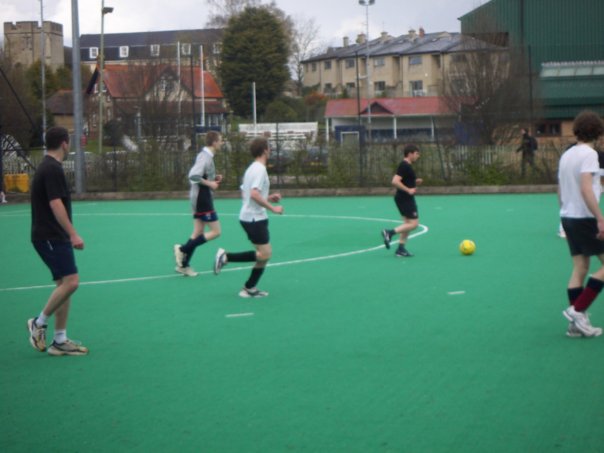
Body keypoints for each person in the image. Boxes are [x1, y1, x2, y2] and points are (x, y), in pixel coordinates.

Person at [27, 126, 88, 356]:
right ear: (64, 143)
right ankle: (38, 323)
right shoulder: (52, 168)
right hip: (50, 236)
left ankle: (59, 340)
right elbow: (55, 203)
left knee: (64, 285)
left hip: (52, 235)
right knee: (72, 282)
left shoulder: (49, 166)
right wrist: (73, 233)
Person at [213, 137, 283, 298]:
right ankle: (226, 257)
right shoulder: (259, 169)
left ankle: (250, 287)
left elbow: (248, 193)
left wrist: (268, 197)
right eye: (269, 147)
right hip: (254, 218)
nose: (270, 150)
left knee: (263, 255)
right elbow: (253, 194)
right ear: (264, 150)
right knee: (264, 254)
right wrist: (273, 208)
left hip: (251, 216)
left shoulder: (252, 168)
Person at [559, 111, 604, 337]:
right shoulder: (590, 154)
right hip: (584, 217)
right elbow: (587, 188)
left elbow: (560, 190)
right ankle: (577, 311)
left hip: (568, 216)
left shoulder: (567, 155)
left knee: (580, 268)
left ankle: (576, 326)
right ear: (598, 132)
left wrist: (563, 215)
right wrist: (600, 218)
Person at [173, 131, 224, 276]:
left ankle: (183, 266)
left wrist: (214, 178)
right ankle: (182, 249)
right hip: (202, 199)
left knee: (198, 232)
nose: (222, 143)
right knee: (216, 232)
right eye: (220, 140)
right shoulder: (205, 157)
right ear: (214, 142)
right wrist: (210, 184)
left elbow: (202, 175)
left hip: (200, 198)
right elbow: (193, 176)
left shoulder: (207, 156)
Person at [381, 144, 423, 257]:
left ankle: (401, 249)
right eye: (416, 154)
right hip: (405, 198)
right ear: (410, 154)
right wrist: (408, 190)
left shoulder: (407, 166)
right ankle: (389, 233)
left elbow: (404, 180)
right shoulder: (404, 165)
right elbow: (395, 181)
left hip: (403, 198)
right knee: (414, 224)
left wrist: (415, 181)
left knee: (407, 224)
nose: (418, 156)